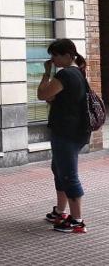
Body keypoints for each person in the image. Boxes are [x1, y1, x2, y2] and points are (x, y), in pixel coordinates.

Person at [38, 38, 90, 233]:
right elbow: (53, 97)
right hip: (73, 130)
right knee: (59, 169)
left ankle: (77, 221)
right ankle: (61, 211)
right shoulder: (77, 73)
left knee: (68, 174)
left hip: (67, 132)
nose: (53, 59)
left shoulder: (67, 74)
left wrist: (46, 73)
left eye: (55, 55)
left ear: (68, 55)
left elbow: (42, 94)